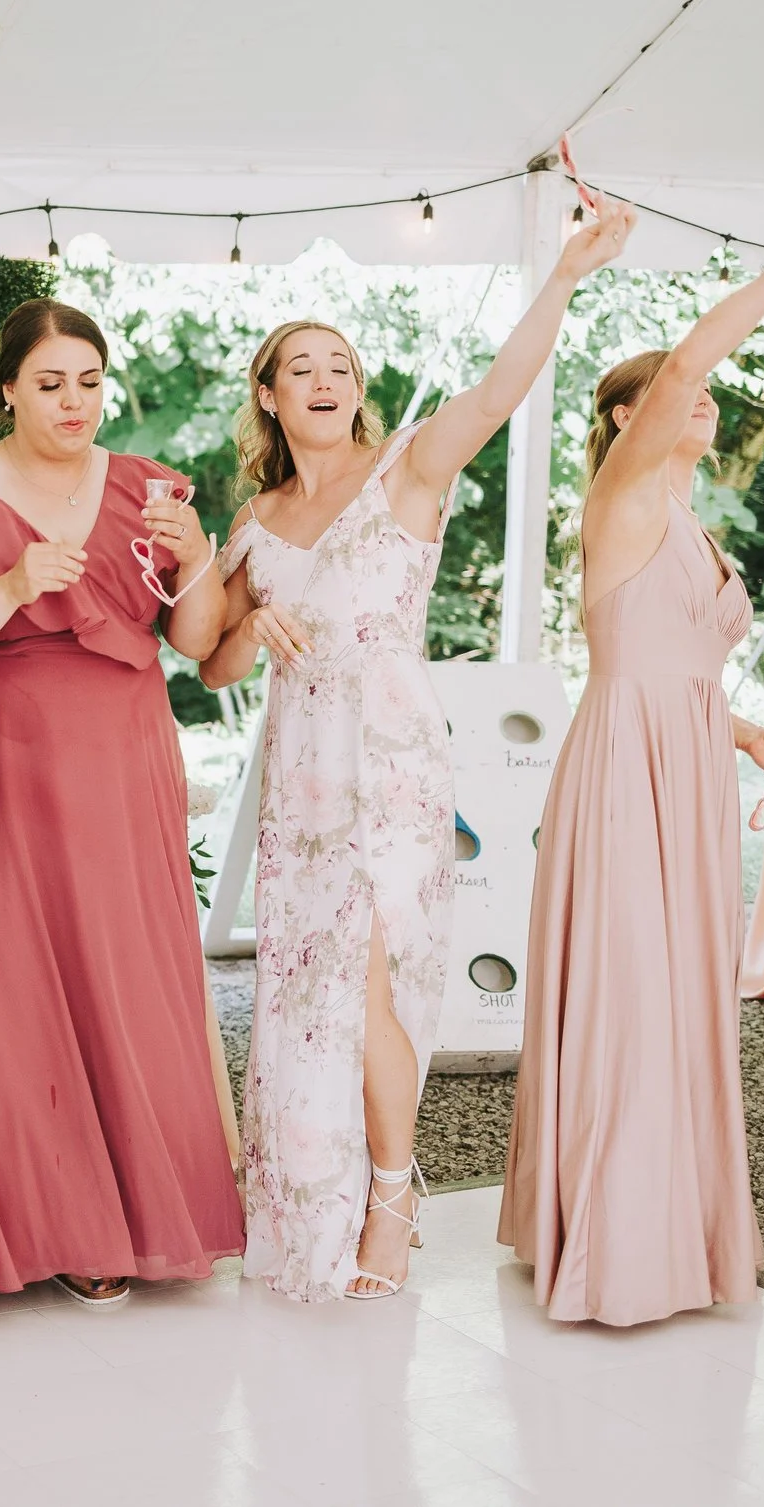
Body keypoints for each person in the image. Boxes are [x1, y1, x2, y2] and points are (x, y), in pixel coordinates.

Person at [203, 201, 636, 1301]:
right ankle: (307, 1197)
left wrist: (564, 274)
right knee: (301, 989)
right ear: (268, 393)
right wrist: (249, 624)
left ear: (358, 387)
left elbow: (498, 390)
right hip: (298, 771)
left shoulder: (405, 469)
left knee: (373, 981)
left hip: (388, 758)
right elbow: (206, 662)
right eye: (299, 365)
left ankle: (392, 1191)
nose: (322, 377)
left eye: (338, 363)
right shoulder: (253, 519)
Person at [0, 298, 236, 1310]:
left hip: (118, 768)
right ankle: (7, 1233)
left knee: (116, 978)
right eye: (48, 382)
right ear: (6, 388)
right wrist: (8, 587)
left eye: (87, 380)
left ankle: (112, 1225)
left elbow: (200, 643)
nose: (72, 401)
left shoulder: (150, 490)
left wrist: (197, 551)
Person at [499, 259, 764, 1326]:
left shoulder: (684, 514)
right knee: (631, 986)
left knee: (681, 988)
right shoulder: (625, 486)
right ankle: (615, 1247)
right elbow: (693, 350)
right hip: (625, 768)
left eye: (705, 395)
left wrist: (741, 731)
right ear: (625, 416)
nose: (705, 397)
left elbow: (670, 650)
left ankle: (666, 1225)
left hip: (682, 756)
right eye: (681, 390)